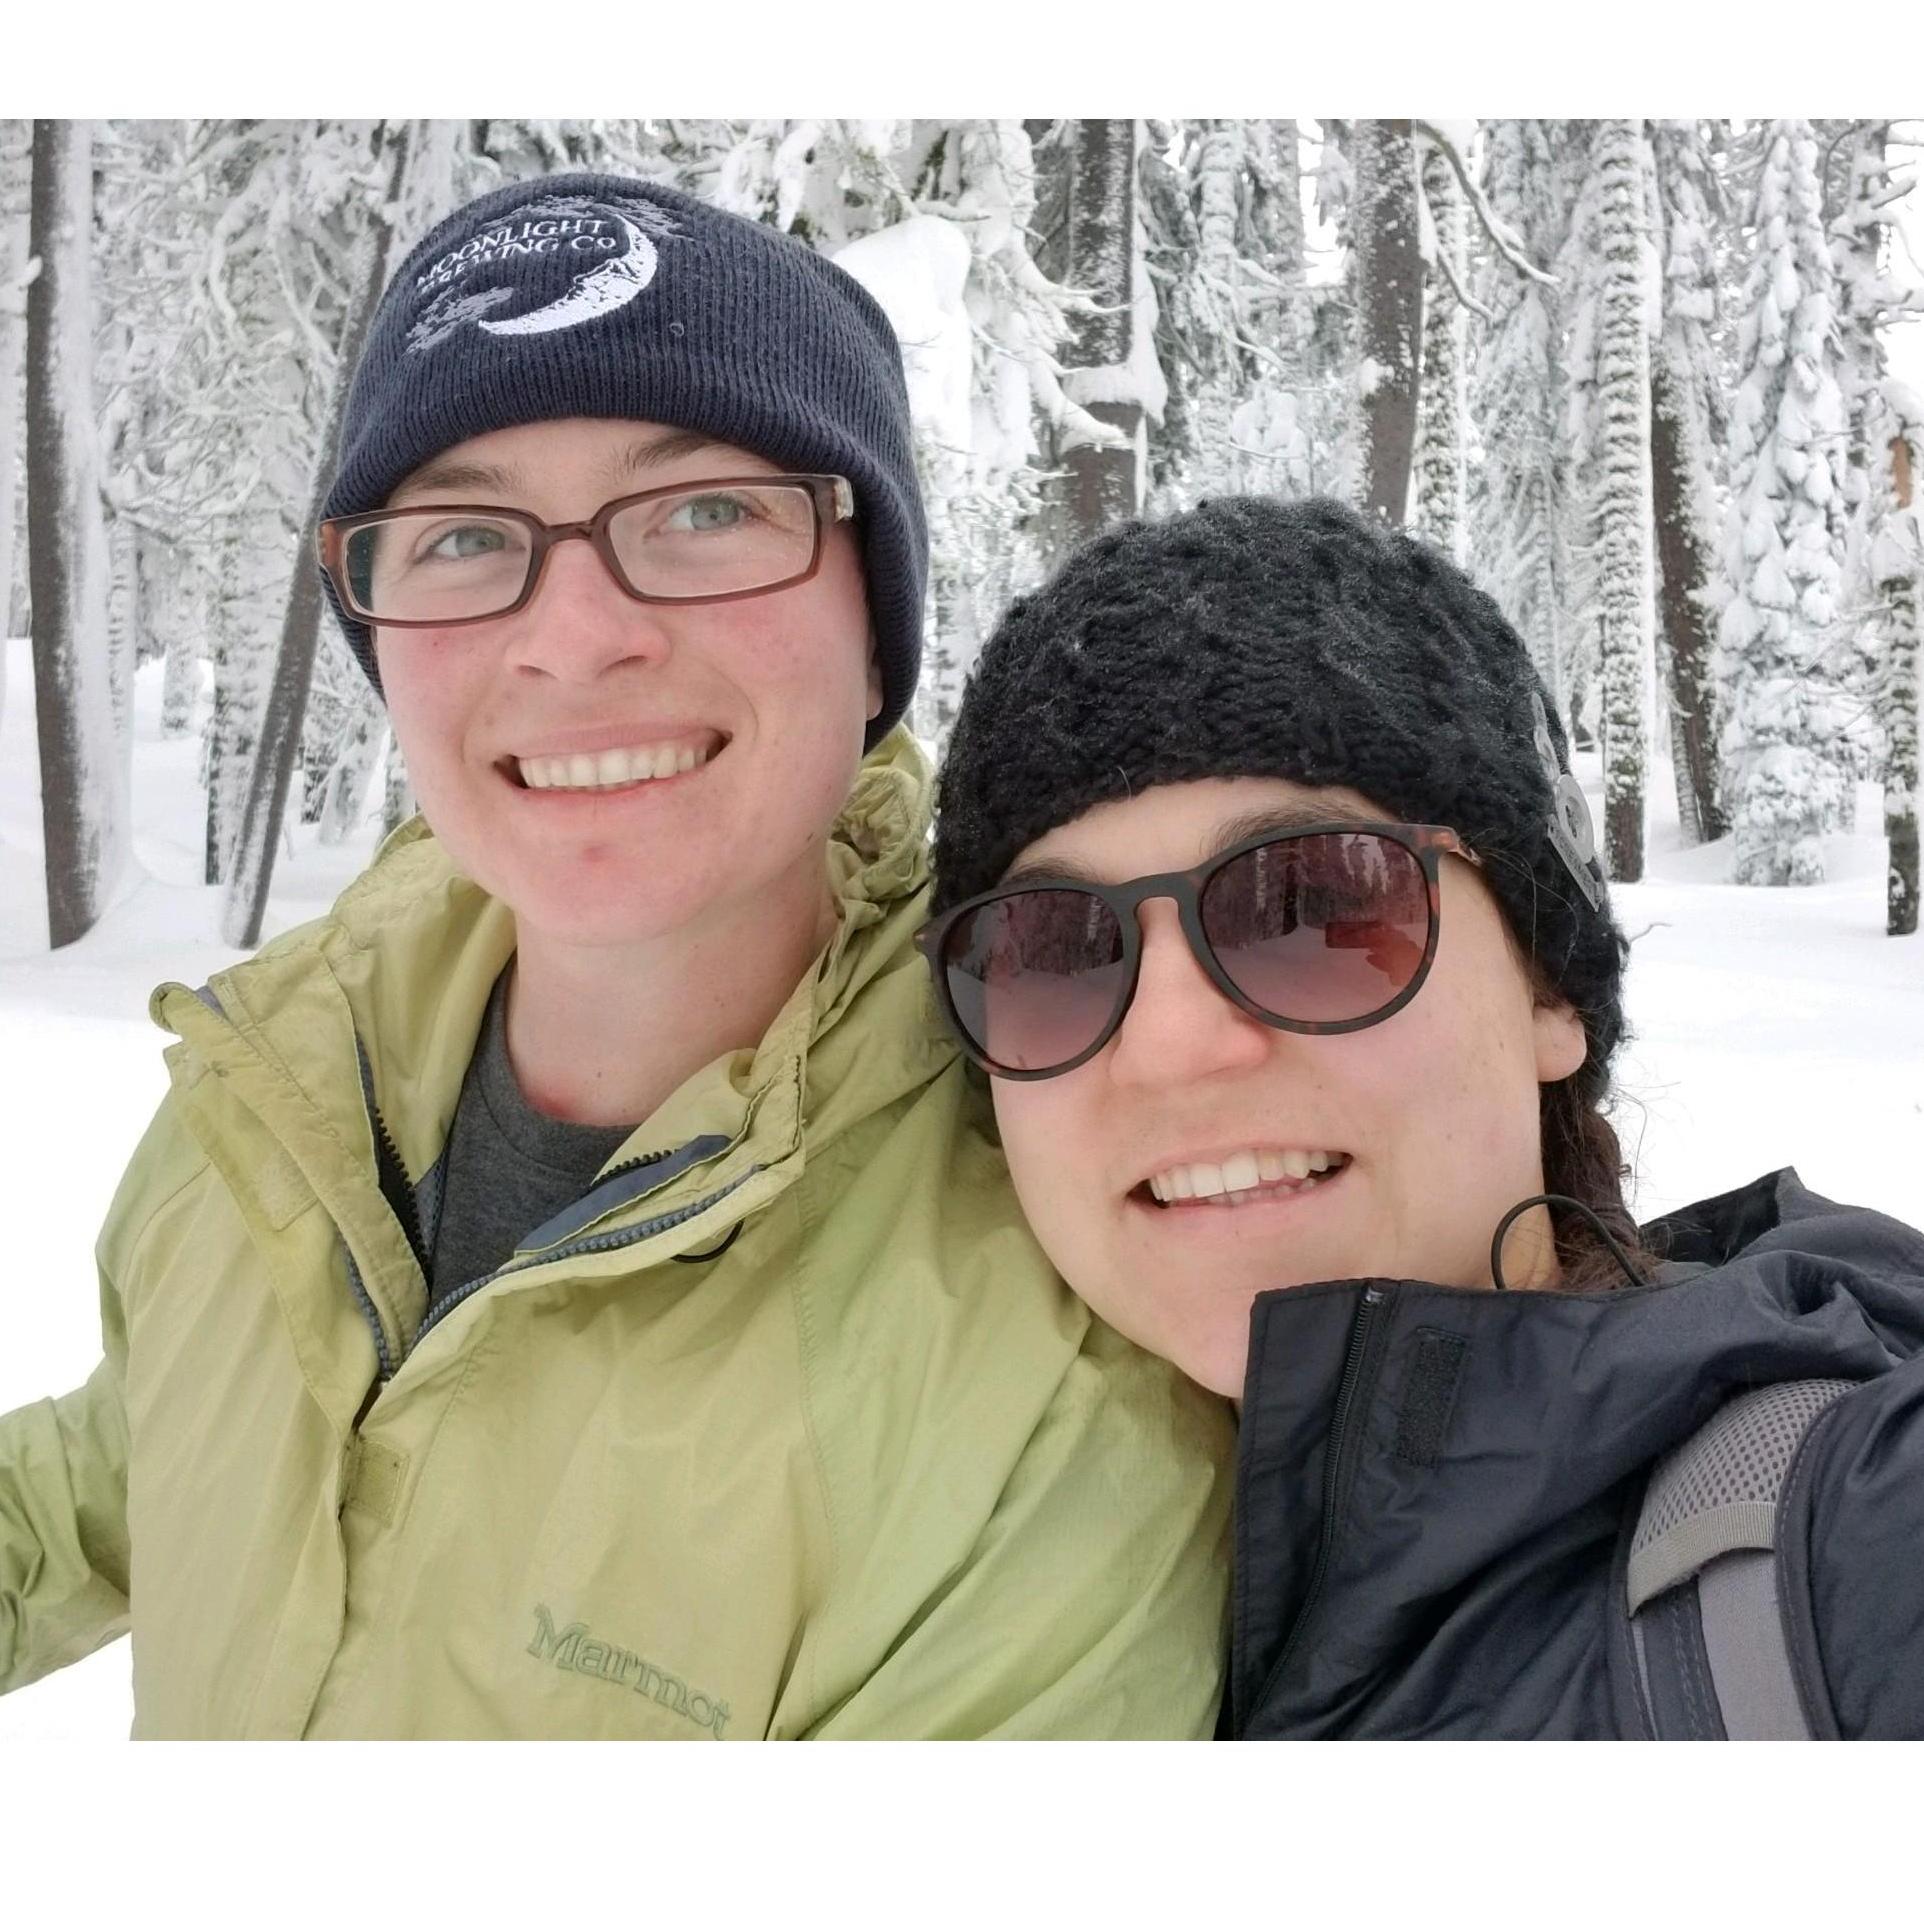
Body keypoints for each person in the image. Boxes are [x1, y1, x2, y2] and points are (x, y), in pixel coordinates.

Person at [0, 174, 1232, 1738]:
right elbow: (132, 1465)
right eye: (460, 534)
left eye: (707, 510)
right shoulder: (279, 1092)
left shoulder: (1036, 1375)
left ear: (878, 629)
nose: (574, 635)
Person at [923, 494, 1924, 1740]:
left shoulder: (1844, 1539)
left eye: (1311, 906)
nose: (1171, 1046)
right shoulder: (958, 1606)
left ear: (1548, 988)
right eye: (1055, 949)